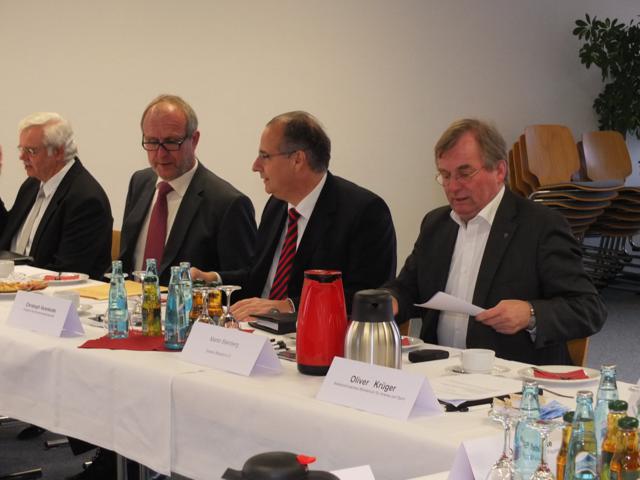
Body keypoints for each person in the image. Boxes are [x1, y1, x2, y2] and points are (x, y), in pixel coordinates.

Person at [382, 118, 606, 365]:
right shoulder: (436, 224)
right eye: (445, 175)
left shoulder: (541, 225)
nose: (453, 187)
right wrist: (390, 300)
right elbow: (408, 288)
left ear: (499, 171)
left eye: (464, 174)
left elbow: (588, 309)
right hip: (439, 369)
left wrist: (530, 313)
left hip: (510, 375)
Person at [193, 111, 397, 320]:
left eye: (265, 156)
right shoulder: (277, 204)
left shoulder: (364, 212)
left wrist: (289, 306)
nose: (255, 166)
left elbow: (367, 297)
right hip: (257, 328)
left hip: (315, 333)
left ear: (298, 159)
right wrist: (212, 279)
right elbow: (258, 277)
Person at [118, 94, 257, 285]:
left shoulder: (228, 203)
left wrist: (208, 279)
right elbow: (125, 261)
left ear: (195, 139)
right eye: (152, 142)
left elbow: (247, 280)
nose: (161, 154)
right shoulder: (139, 182)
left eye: (171, 142)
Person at [0, 112, 112, 279]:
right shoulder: (32, 184)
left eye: (31, 151)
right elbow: (6, 235)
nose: (22, 157)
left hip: (49, 292)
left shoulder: (86, 200)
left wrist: (14, 284)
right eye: (21, 149)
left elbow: (66, 272)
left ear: (58, 152)